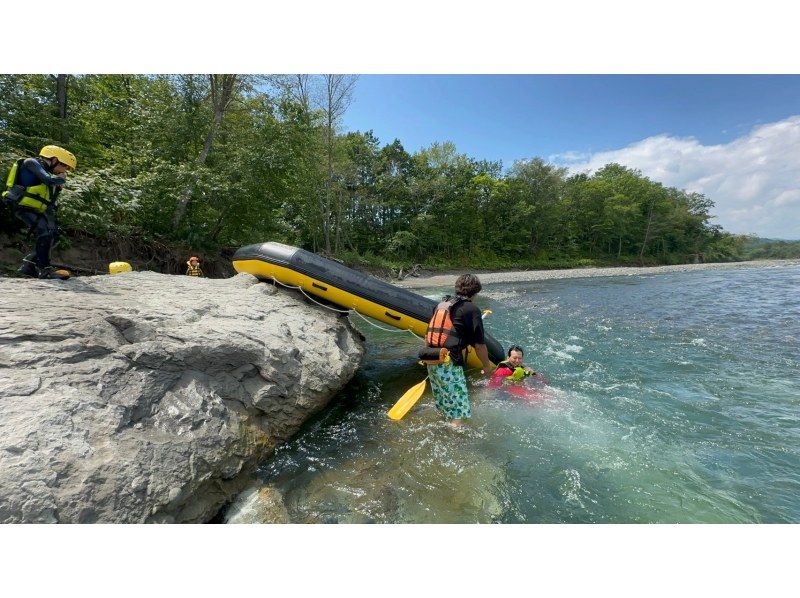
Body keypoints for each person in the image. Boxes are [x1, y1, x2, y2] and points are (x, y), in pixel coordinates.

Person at [424, 273, 493, 425]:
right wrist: (487, 367)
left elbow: (429, 332)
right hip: (449, 363)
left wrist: (427, 356)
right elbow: (480, 345)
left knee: (444, 404)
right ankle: (455, 444)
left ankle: (442, 431)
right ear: (475, 292)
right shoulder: (471, 309)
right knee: (459, 411)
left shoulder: (442, 305)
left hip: (432, 359)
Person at [2, 145, 76, 279]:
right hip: (22, 206)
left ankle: (28, 266)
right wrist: (60, 179)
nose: (65, 171)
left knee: (53, 235)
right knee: (44, 232)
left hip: (36, 209)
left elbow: (49, 202)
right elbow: (48, 180)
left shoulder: (49, 173)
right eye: (65, 166)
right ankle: (45, 270)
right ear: (54, 159)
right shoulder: (31, 163)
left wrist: (57, 188)